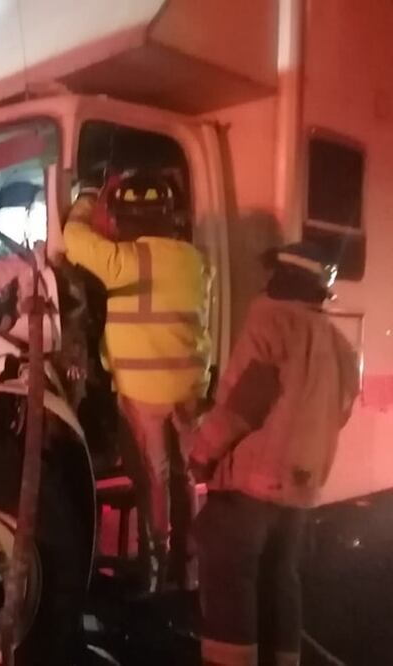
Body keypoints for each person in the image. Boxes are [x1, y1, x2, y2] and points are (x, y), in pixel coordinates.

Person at [183, 242, 360, 666]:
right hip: (299, 491)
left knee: (230, 582)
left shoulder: (271, 323)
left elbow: (242, 407)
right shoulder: (338, 344)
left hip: (250, 487)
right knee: (281, 582)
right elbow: (339, 414)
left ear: (281, 280)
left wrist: (200, 456)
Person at [63, 170, 211, 591]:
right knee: (185, 477)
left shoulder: (125, 259)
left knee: (153, 478)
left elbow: (73, 240)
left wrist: (88, 197)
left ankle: (155, 571)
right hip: (189, 390)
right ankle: (190, 568)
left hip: (143, 394)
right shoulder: (194, 259)